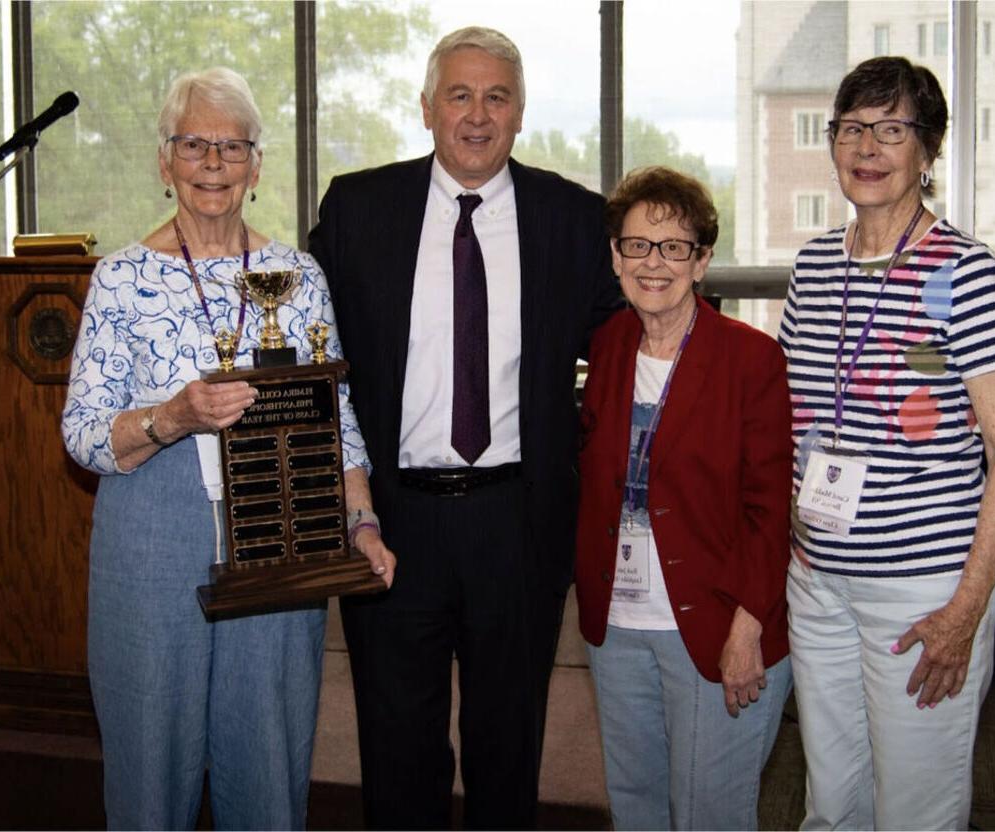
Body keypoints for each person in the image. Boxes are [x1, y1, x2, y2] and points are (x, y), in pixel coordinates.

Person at [61, 66, 394, 830]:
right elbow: (83, 435)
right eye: (193, 144)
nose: (213, 163)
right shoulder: (121, 279)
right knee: (150, 768)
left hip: (281, 540)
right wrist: (172, 417)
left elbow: (335, 417)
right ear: (164, 160)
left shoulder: (300, 278)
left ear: (256, 165)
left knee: (268, 765)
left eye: (232, 147)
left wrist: (362, 523)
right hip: (152, 540)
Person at [308, 26, 622, 830]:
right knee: (395, 746)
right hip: (392, 523)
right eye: (459, 94)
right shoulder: (356, 209)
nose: (477, 115)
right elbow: (309, 357)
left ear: (520, 113)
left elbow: (638, 338)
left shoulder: (577, 220)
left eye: (497, 97)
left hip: (517, 520)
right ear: (426, 109)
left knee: (508, 746)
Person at [780, 56, 995, 830]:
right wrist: (796, 541)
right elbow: (801, 418)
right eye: (853, 128)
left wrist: (966, 607)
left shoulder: (966, 274)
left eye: (893, 130)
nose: (869, 147)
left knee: (916, 813)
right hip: (818, 582)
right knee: (831, 803)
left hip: (922, 593)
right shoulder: (815, 266)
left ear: (928, 151)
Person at [574, 167, 793, 830]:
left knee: (712, 812)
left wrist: (749, 627)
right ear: (616, 256)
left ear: (701, 262)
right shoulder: (609, 347)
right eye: (638, 244)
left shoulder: (750, 359)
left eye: (675, 247)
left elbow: (769, 506)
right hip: (617, 625)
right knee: (636, 801)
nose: (654, 263)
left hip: (717, 622)